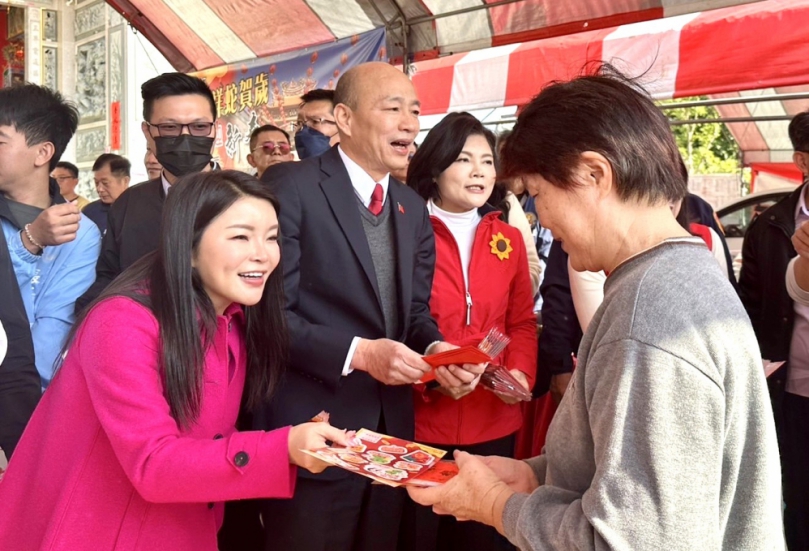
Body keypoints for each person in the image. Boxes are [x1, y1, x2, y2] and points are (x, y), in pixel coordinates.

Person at [407, 69, 785, 550]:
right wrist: (533, 474)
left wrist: (496, 506)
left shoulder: (648, 320)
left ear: (594, 174)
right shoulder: (681, 273)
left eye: (539, 195)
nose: (539, 218)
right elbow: (633, 468)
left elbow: (627, 539)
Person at [0, 170, 354, 549]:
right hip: (99, 531)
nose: (263, 254)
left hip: (181, 527)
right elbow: (153, 463)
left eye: (271, 237)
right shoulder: (122, 321)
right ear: (187, 247)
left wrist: (300, 443)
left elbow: (209, 437)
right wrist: (282, 447)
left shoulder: (231, 319)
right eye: (240, 236)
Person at [255, 62, 448, 551]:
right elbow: (270, 316)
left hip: (389, 436)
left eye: (415, 111)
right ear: (344, 117)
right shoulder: (292, 187)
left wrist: (440, 350)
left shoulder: (410, 208)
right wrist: (360, 353)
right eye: (393, 108)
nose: (409, 123)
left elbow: (415, 314)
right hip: (314, 427)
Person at [402, 112, 536, 551]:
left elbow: (519, 323)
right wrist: (431, 379)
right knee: (420, 537)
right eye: (464, 159)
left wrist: (519, 374)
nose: (479, 170)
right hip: (422, 419)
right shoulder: (405, 234)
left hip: (493, 418)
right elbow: (396, 323)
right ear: (436, 167)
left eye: (486, 161)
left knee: (486, 538)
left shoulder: (510, 240)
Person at [76, 72, 217, 311]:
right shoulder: (129, 204)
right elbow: (109, 278)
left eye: (199, 127)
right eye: (170, 127)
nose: (185, 137)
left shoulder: (246, 200)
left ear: (215, 129)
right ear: (147, 132)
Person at [0, 84, 100, 393]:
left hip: (29, 403)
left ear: (42, 152)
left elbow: (56, 327)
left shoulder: (81, 232)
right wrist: (28, 242)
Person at [739, 109, 809, 551]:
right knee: (797, 504)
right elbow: (748, 309)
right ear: (803, 161)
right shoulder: (769, 226)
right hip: (792, 394)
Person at [83, 153, 131, 234]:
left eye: (105, 183)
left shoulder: (140, 210)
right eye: (96, 183)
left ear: (125, 181)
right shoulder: (89, 212)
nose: (99, 189)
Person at [294, 88, 338, 159]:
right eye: (299, 123)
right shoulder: (296, 169)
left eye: (315, 121)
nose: (303, 130)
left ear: (343, 123)